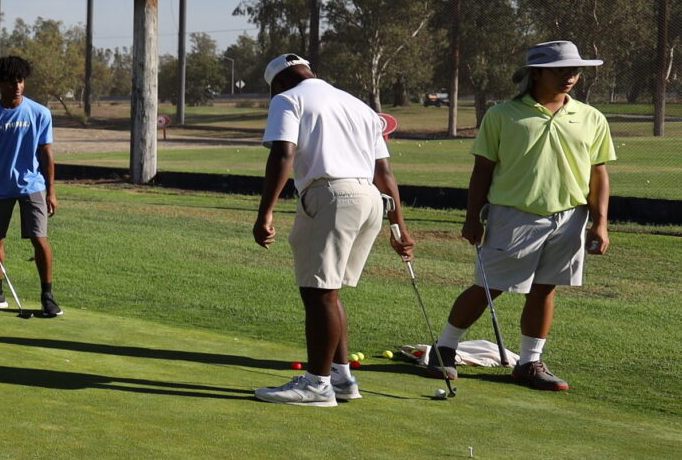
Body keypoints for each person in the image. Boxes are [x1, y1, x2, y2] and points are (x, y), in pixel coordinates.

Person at [422, 40, 615, 391]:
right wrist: (471, 218)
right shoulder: (502, 115)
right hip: (514, 214)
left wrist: (599, 222)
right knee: (489, 286)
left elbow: (598, 173)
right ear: (537, 73)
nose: (571, 76)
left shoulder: (591, 117)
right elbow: (482, 170)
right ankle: (444, 349)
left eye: (575, 70)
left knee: (544, 289)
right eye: (562, 70)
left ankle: (529, 363)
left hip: (570, 216)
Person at [246, 54, 413, 405]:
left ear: (277, 83)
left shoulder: (287, 99)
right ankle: (341, 378)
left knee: (317, 293)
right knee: (329, 292)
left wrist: (265, 213)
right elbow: (384, 172)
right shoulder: (360, 106)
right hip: (369, 199)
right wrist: (399, 226)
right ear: (310, 72)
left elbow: (283, 154)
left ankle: (317, 385)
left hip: (330, 196)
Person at [0, 55, 61, 317]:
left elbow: (47, 154)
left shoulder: (40, 113)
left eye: (20, 80)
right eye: (10, 81)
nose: (16, 85)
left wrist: (51, 191)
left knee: (39, 239)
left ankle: (47, 296)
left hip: (33, 186)